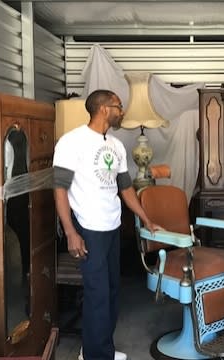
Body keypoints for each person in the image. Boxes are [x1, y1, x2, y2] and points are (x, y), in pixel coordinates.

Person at [53, 89, 161, 360]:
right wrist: (70, 232)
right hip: (88, 227)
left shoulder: (115, 145)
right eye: (118, 106)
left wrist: (146, 218)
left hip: (111, 224)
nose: (122, 111)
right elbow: (59, 190)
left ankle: (99, 349)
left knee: (112, 292)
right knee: (97, 294)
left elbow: (125, 189)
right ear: (103, 109)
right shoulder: (71, 142)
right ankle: (96, 355)